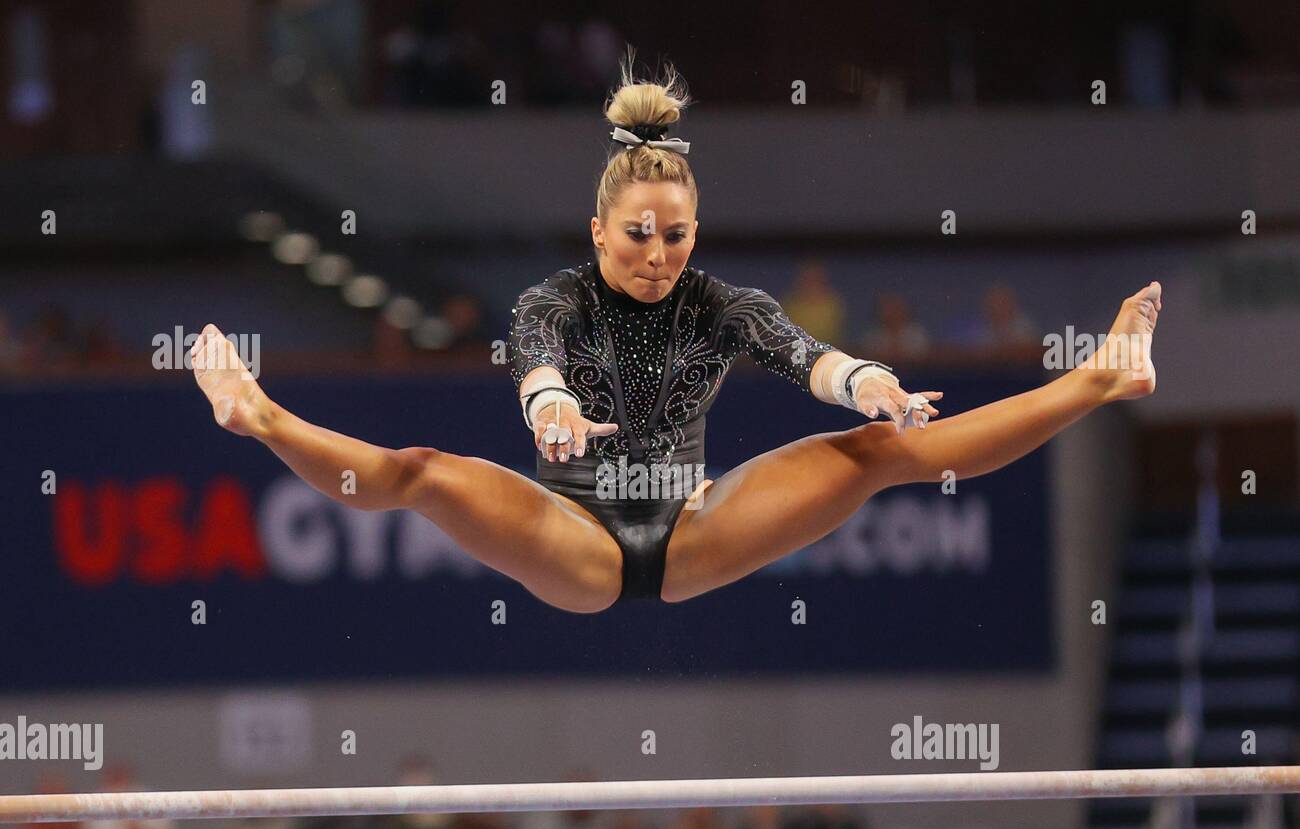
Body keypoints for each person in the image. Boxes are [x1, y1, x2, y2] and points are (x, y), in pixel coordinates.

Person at [190, 57, 1160, 614]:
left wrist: (865, 381)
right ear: (599, 230)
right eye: (640, 235)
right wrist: (552, 402)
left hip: (697, 526)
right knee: (423, 471)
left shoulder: (721, 306)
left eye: (677, 235)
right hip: (575, 536)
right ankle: (261, 414)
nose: (658, 254)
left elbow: (803, 355)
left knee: (877, 453)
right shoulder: (556, 298)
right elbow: (535, 355)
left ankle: (1099, 380)